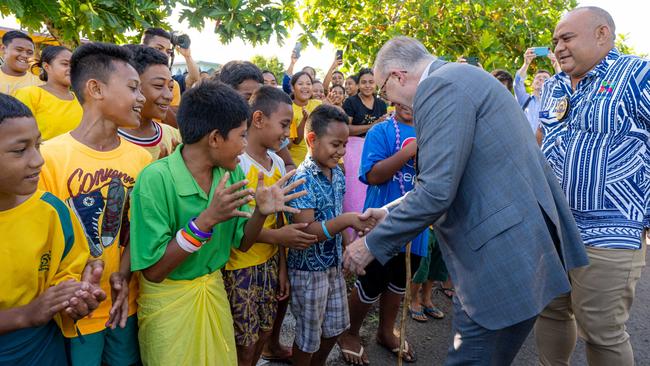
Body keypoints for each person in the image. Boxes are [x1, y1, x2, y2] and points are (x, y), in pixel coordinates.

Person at [343, 36, 589, 365]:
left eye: (386, 91)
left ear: (398, 76)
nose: (390, 102)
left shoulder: (439, 87)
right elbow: (451, 178)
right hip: (521, 246)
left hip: (497, 254)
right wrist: (388, 212)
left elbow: (437, 191)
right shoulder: (462, 78)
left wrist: (369, 245)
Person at [129, 81, 305, 366]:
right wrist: (205, 221)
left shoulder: (231, 174)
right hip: (169, 306)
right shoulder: (155, 179)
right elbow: (154, 272)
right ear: (214, 139)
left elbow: (242, 242)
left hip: (213, 292)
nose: (246, 145)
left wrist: (260, 212)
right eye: (241, 136)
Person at [536, 7, 650, 366]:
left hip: (610, 231)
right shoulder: (553, 86)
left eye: (566, 38)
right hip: (552, 227)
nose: (558, 47)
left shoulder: (638, 75)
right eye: (555, 41)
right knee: (551, 313)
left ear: (602, 34)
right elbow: (542, 140)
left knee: (602, 332)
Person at [38, 42, 152, 366]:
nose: (141, 98)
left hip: (124, 304)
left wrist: (124, 272)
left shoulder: (141, 160)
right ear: (95, 89)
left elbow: (136, 228)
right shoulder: (49, 158)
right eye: (133, 88)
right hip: (70, 312)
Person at [0, 93, 105, 365]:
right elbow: (32, 312)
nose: (38, 161)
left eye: (38, 145)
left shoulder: (53, 211)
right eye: (20, 150)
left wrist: (74, 296)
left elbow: (67, 270)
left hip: (43, 350)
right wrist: (24, 314)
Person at [223, 86, 318, 366]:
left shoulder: (277, 162)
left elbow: (278, 221)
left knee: (264, 331)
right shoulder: (236, 165)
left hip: (269, 264)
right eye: (284, 124)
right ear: (259, 119)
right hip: (239, 267)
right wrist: (280, 236)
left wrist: (282, 268)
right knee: (244, 341)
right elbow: (235, 231)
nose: (288, 134)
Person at [285, 104, 376, 366]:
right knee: (308, 336)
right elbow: (307, 231)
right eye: (336, 144)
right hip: (308, 271)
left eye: (345, 144)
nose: (342, 151)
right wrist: (346, 222)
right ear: (312, 140)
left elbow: (335, 209)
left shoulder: (337, 172)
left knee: (335, 326)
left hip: (332, 264)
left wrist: (347, 243)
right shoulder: (301, 179)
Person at [337, 103, 427, 365]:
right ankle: (350, 333)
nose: (409, 104)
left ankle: (386, 332)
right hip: (381, 222)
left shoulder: (431, 130)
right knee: (372, 279)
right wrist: (409, 151)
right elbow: (373, 175)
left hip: (417, 224)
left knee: (400, 278)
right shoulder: (381, 131)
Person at [218, 60, 297, 172]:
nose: (254, 105)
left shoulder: (272, 132)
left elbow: (288, 164)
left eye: (258, 99)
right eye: (247, 98)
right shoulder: (218, 135)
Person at [342, 68, 388, 239]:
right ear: (358, 84)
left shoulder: (381, 104)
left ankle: (370, 233)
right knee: (354, 194)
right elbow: (346, 129)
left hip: (375, 150)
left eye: (371, 82)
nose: (367, 85)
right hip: (353, 151)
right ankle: (350, 236)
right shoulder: (351, 103)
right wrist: (373, 125)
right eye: (363, 82)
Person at [118, 45, 181, 160]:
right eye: (158, 85)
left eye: (171, 87)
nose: (169, 96)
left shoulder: (174, 136)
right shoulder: (109, 142)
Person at [15, 46, 83, 140]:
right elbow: (16, 134)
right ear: (47, 67)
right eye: (65, 64)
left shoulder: (81, 99)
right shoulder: (30, 94)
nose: (71, 69)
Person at [141, 27, 200, 127]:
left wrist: (187, 56)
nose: (164, 55)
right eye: (158, 49)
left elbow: (194, 77)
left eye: (168, 51)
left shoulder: (173, 84)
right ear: (142, 47)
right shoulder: (128, 76)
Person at [515, 47, 559, 133]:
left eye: (545, 78)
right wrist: (526, 64)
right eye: (538, 77)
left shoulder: (555, 102)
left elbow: (565, 86)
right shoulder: (524, 100)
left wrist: (556, 65)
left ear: (551, 85)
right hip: (525, 144)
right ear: (532, 84)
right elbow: (517, 83)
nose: (541, 79)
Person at [288, 71, 322, 165]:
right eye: (300, 84)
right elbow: (296, 141)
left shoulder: (318, 104)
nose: (305, 87)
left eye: (308, 84)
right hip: (297, 164)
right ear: (292, 88)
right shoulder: (289, 108)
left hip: (316, 162)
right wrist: (305, 120)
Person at [0, 31, 41, 95]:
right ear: (3, 49)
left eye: (30, 53)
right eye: (19, 50)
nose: (25, 55)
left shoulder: (40, 84)